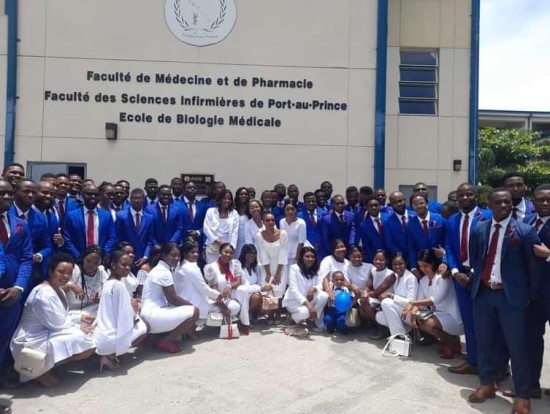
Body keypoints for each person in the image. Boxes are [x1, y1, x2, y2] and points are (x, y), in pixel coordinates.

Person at [467, 189, 543, 413]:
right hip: (484, 294)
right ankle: (487, 383)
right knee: (484, 343)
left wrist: (528, 297)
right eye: (498, 202)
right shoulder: (479, 229)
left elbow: (534, 269)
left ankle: (522, 396)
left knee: (517, 347)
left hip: (511, 298)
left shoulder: (525, 231)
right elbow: (476, 259)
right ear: (489, 205)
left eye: (507, 202)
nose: (503, 206)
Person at [11, 253, 95, 386]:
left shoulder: (57, 289)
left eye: (69, 272)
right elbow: (57, 323)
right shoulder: (44, 293)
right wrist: (79, 328)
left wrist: (79, 317)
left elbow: (60, 316)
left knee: (86, 323)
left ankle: (49, 366)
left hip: (46, 331)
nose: (66, 276)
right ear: (51, 271)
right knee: (80, 336)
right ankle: (39, 370)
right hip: (30, 339)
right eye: (61, 272)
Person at [445, 183, 492, 375]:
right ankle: (473, 361)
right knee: (468, 322)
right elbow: (449, 248)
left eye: (469, 194)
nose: (465, 198)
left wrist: (472, 273)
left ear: (476, 196)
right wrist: (456, 272)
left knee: (486, 324)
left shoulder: (488, 217)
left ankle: (492, 366)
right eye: (461, 195)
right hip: (460, 278)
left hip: (481, 278)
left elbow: (489, 249)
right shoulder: (452, 220)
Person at [0, 179, 33, 389]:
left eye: (9, 194)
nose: (6, 197)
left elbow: (26, 258)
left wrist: (19, 287)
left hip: (11, 294)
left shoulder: (20, 224)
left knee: (4, 338)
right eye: (1, 193)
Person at [401, 249, 463, 359]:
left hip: (454, 318)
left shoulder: (443, 277)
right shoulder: (423, 280)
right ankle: (447, 342)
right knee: (416, 317)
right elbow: (420, 301)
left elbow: (436, 300)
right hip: (439, 316)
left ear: (433, 264)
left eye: (426, 266)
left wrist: (412, 303)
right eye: (420, 266)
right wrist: (414, 312)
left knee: (427, 323)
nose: (423, 269)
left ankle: (452, 343)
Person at [94, 250, 148, 371]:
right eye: (124, 265)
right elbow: (126, 317)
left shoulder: (106, 282)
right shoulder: (119, 286)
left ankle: (111, 354)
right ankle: (112, 355)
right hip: (110, 340)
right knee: (144, 327)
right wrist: (135, 315)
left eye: (129, 265)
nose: (127, 268)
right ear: (113, 265)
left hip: (102, 336)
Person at [140, 243, 199, 353]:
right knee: (195, 312)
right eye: (173, 255)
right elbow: (173, 299)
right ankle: (166, 341)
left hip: (149, 314)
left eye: (178, 255)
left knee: (181, 323)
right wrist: (191, 306)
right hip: (152, 316)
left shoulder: (161, 269)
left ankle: (154, 337)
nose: (176, 258)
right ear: (163, 255)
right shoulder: (163, 272)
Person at [520, 183, 550, 399]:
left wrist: (549, 255)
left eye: (549, 200)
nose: (545, 203)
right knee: (532, 341)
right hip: (533, 295)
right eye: (541, 199)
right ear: (533, 202)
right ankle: (532, 385)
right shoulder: (527, 221)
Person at [8, 179, 53, 285]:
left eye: (34, 192)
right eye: (26, 191)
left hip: (28, 271)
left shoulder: (40, 218)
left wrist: (39, 255)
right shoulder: (5, 213)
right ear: (15, 191)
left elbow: (48, 247)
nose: (30, 195)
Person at [175, 241, 226, 328]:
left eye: (197, 252)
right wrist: (218, 296)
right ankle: (193, 326)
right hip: (192, 302)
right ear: (185, 253)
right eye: (192, 252)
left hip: (184, 299)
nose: (196, 254)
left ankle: (192, 326)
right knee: (220, 307)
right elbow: (204, 288)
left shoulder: (180, 265)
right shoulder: (191, 267)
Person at [62, 184, 117, 259]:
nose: (93, 196)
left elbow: (112, 238)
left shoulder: (107, 215)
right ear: (82, 196)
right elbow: (67, 239)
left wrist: (103, 255)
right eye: (89, 194)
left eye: (96, 194)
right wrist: (79, 257)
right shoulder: (71, 216)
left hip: (101, 259)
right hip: (78, 259)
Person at [254, 212, 289, 324]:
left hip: (281, 265)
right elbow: (262, 253)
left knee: (279, 290)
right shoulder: (259, 235)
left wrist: (278, 274)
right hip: (266, 266)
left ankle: (278, 313)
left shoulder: (283, 234)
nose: (270, 222)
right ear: (263, 222)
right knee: (268, 290)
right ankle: (270, 314)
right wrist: (268, 273)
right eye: (267, 220)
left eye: (272, 220)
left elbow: (283, 253)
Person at [282, 246, 328, 332]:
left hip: (310, 298)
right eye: (307, 256)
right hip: (294, 300)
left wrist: (313, 289)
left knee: (324, 296)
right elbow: (293, 289)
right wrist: (307, 304)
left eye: (312, 257)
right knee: (305, 312)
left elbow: (320, 285)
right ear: (301, 257)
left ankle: (311, 320)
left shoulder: (317, 269)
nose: (310, 259)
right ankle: (291, 317)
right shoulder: (294, 268)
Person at [203, 244, 246, 332]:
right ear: (220, 252)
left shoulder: (234, 264)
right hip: (214, 298)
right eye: (226, 252)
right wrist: (223, 307)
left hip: (226, 298)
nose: (228, 255)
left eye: (231, 253)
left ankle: (223, 324)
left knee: (235, 307)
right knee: (217, 309)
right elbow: (213, 289)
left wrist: (230, 286)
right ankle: (214, 323)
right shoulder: (211, 267)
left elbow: (238, 281)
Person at [375, 253, 418, 335]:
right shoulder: (395, 276)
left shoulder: (411, 278)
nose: (397, 267)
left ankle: (398, 335)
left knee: (386, 303)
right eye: (394, 264)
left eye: (400, 264)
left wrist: (391, 296)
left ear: (405, 264)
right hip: (400, 310)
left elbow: (411, 302)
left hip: (409, 311)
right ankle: (405, 331)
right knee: (379, 316)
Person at [406, 192, 447, 277]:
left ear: (427, 204)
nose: (419, 206)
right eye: (415, 204)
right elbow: (411, 248)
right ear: (412, 207)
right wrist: (413, 267)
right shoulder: (410, 224)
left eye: (421, 203)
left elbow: (448, 242)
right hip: (423, 267)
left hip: (441, 263)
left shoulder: (440, 219)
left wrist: (444, 257)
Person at [115, 188, 154, 272]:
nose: (136, 200)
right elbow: (117, 238)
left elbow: (150, 241)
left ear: (143, 199)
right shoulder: (121, 216)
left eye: (139, 198)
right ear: (130, 199)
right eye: (134, 198)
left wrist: (145, 256)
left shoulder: (149, 218)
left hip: (142, 259)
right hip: (125, 259)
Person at [65, 245, 108, 319]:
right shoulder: (74, 270)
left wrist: (99, 298)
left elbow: (109, 294)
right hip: (72, 313)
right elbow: (56, 289)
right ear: (83, 258)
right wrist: (70, 285)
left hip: (93, 310)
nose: (91, 265)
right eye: (88, 261)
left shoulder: (101, 272)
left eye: (96, 263)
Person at [361, 250, 396, 338]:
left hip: (387, 300)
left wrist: (366, 294)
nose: (378, 262)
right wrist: (365, 291)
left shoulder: (391, 275)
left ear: (387, 261)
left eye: (381, 260)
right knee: (363, 300)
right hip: (377, 298)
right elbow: (368, 285)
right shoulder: (373, 270)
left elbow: (377, 292)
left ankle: (381, 328)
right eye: (376, 259)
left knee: (365, 299)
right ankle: (377, 325)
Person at [203, 189, 239, 264]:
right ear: (220, 199)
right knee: (212, 269)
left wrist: (230, 247)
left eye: (229, 199)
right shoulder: (210, 211)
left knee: (226, 269)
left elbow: (235, 232)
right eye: (225, 198)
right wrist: (217, 240)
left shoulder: (234, 213)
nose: (227, 201)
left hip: (228, 248)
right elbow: (206, 228)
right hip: (213, 246)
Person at [319, 195, 355, 259]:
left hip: (350, 250)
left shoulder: (351, 216)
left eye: (342, 203)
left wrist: (352, 245)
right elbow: (325, 237)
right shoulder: (327, 219)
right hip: (334, 252)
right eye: (337, 203)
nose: (340, 205)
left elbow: (353, 231)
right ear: (333, 205)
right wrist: (331, 252)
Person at [384, 191, 415, 261]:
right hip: (400, 259)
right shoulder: (388, 222)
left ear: (405, 200)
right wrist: (399, 255)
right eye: (394, 203)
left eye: (400, 201)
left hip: (418, 257)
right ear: (391, 205)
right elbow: (390, 242)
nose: (398, 204)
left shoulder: (415, 216)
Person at [357, 194, 388, 263]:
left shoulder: (389, 218)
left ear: (379, 206)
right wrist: (375, 261)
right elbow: (367, 247)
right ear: (366, 207)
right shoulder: (363, 226)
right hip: (376, 261)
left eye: (376, 205)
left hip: (391, 257)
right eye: (371, 206)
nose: (374, 207)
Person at [238, 244, 264, 325]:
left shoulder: (256, 267)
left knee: (259, 296)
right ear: (244, 254)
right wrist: (258, 289)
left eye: (254, 253)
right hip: (243, 293)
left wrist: (259, 289)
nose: (252, 255)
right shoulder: (239, 267)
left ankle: (254, 314)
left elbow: (259, 282)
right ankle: (245, 318)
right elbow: (244, 285)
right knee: (255, 297)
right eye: (249, 253)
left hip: (254, 292)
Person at [279, 201, 306, 265]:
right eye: (287, 209)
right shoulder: (282, 221)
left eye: (292, 209)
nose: (290, 211)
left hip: (297, 255)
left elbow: (301, 242)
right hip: (285, 255)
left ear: (296, 210)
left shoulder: (301, 223)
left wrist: (296, 259)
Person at [180, 181, 206, 247]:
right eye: (189, 188)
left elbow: (206, 224)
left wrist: (198, 232)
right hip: (181, 242)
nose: (192, 189)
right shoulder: (176, 205)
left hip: (198, 242)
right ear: (183, 190)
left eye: (194, 188)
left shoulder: (202, 205)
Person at [234, 187, 250, 258]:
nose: (244, 196)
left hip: (248, 240)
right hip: (235, 241)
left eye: (246, 194)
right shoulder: (233, 210)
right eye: (241, 194)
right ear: (237, 196)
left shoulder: (250, 210)